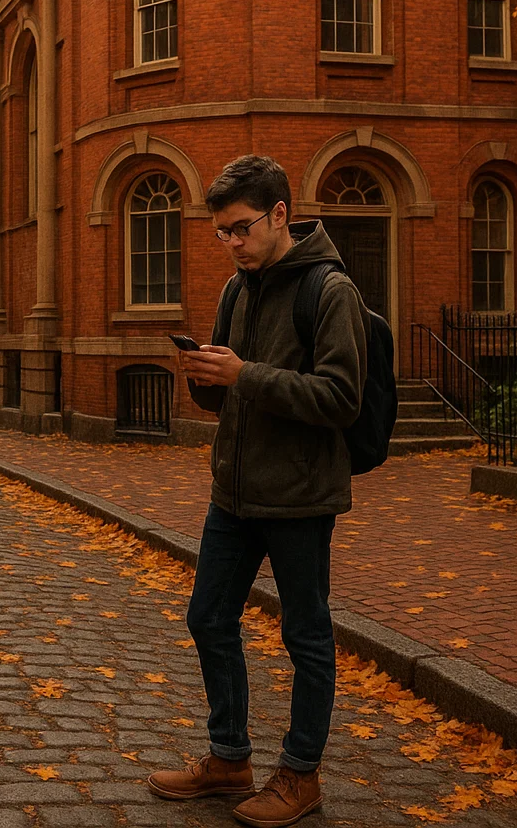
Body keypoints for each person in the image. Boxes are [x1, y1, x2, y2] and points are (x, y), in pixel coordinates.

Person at [146, 155, 368, 828]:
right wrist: (205, 377)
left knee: (306, 637)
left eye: (241, 229)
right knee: (208, 618)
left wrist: (245, 375)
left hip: (300, 497)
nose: (232, 243)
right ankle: (229, 758)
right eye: (221, 233)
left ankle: (300, 777)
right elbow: (227, 398)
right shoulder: (235, 291)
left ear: (279, 214)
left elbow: (341, 398)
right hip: (233, 493)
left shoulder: (330, 292)